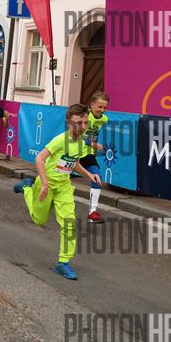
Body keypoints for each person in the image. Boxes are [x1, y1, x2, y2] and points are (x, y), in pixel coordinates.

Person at [13, 104, 102, 280]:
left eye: (85, 123)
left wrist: (89, 174)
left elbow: (74, 163)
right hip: (46, 184)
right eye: (78, 123)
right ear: (68, 123)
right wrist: (44, 183)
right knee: (39, 220)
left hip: (63, 187)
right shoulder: (61, 140)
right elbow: (39, 158)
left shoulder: (81, 142)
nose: (82, 127)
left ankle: (63, 263)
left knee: (69, 223)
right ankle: (26, 188)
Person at [80, 92, 110, 223]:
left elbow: (95, 133)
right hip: (73, 150)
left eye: (105, 107)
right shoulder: (84, 116)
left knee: (97, 177)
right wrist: (92, 143)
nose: (102, 110)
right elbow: (76, 134)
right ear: (91, 105)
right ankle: (29, 188)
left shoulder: (104, 119)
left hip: (88, 153)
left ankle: (92, 212)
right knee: (56, 178)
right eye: (100, 107)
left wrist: (94, 146)